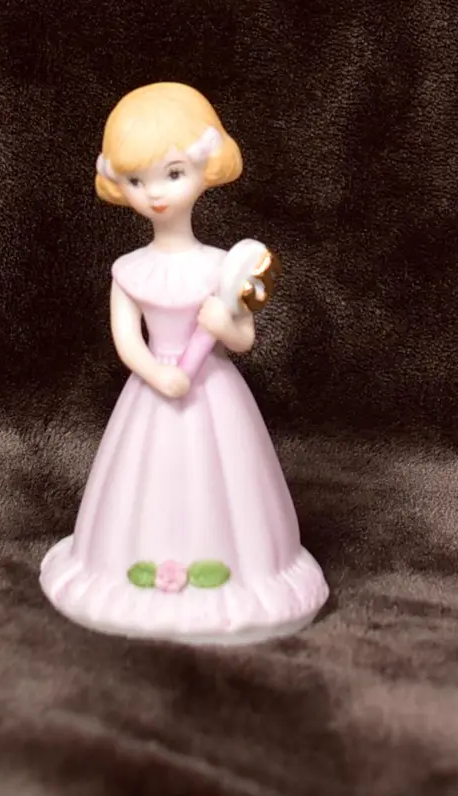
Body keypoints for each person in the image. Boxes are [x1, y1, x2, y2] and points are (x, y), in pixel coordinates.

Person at [40, 82, 328, 644]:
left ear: (204, 167)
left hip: (212, 392)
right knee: (145, 485)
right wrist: (157, 374)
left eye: (172, 174)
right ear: (118, 184)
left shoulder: (221, 267)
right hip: (155, 391)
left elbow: (242, 338)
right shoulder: (129, 271)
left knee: (222, 484)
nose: (156, 194)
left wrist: (223, 325)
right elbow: (127, 341)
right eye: (137, 180)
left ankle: (240, 577)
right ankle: (130, 572)